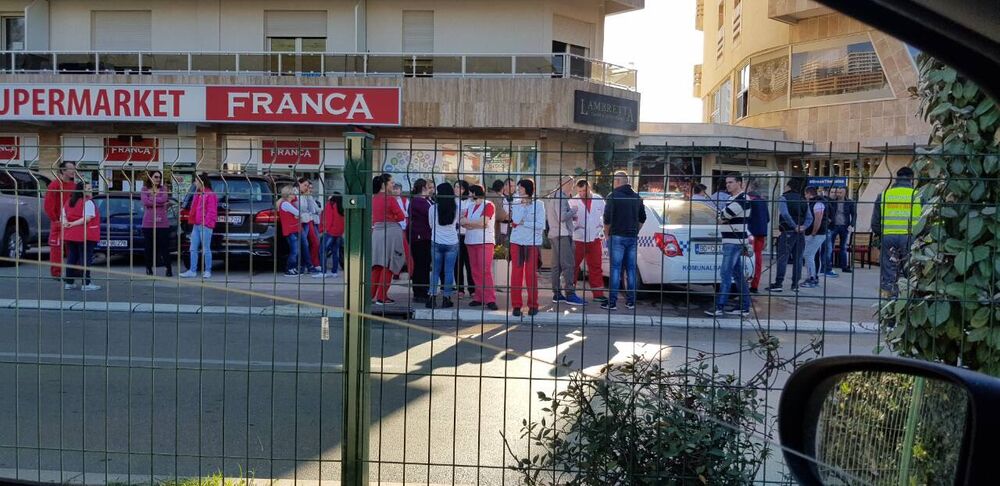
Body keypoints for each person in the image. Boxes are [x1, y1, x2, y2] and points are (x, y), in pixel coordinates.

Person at [705, 175, 752, 317]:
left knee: (725, 274)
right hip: (731, 241)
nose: (728, 185)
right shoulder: (733, 199)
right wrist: (722, 216)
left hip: (734, 243)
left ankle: (719, 306)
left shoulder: (742, 199)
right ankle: (744, 307)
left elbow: (724, 216)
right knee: (738, 276)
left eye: (731, 182)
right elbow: (722, 217)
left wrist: (722, 216)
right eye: (727, 183)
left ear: (740, 183)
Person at [871, 167, 921, 299]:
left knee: (889, 274)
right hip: (910, 238)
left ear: (896, 178)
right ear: (912, 179)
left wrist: (883, 234)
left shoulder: (884, 195)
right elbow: (926, 221)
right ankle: (909, 303)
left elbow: (875, 224)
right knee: (910, 274)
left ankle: (888, 306)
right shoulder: (918, 195)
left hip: (888, 238)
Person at [601, 171, 646, 311]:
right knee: (631, 269)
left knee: (615, 269)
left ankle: (612, 302)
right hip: (632, 237)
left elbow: (607, 218)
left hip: (617, 236)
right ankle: (631, 302)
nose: (614, 183)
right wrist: (635, 230)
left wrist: (607, 234)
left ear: (618, 181)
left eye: (615, 181)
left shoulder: (612, 196)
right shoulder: (637, 197)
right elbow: (642, 218)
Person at [545, 175, 585, 305]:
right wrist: (573, 211)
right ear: (565, 183)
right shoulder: (561, 197)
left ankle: (557, 294)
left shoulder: (554, 196)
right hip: (562, 235)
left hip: (554, 234)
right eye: (571, 184)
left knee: (556, 266)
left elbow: (557, 216)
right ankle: (570, 294)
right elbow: (562, 217)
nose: (572, 187)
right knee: (569, 265)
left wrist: (570, 218)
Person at [509, 179, 545, 317]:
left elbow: (540, 225)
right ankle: (516, 306)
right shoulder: (516, 204)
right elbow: (516, 221)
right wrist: (523, 208)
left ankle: (533, 305)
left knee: (531, 275)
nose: (518, 191)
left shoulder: (539, 205)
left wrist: (525, 222)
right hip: (517, 242)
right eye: (518, 189)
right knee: (516, 275)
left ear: (527, 189)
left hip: (532, 243)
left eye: (521, 188)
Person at [767, 179, 811, 293]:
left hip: (787, 231)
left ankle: (779, 283)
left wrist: (793, 225)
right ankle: (795, 284)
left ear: (789, 186)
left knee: (782, 257)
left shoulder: (783, 198)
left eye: (786, 185)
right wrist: (803, 227)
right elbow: (809, 217)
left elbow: (785, 213)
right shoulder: (803, 199)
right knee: (798, 258)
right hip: (800, 233)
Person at [462, 184, 499, 310]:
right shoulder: (469, 206)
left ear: (473, 193)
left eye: (470, 192)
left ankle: (490, 299)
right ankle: (479, 296)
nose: (469, 194)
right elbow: (462, 221)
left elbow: (484, 222)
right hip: (471, 241)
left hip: (485, 241)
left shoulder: (488, 205)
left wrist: (470, 223)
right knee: (475, 271)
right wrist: (475, 224)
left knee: (485, 270)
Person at [371, 173, 406, 305]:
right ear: (384, 184)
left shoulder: (373, 198)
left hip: (377, 232)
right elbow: (401, 216)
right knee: (390, 264)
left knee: (377, 265)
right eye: (391, 182)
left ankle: (370, 295)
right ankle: (382, 296)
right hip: (391, 232)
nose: (393, 184)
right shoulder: (390, 198)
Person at [569, 179, 606, 303]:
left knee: (596, 266)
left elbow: (605, 215)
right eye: (579, 191)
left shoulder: (598, 199)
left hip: (595, 238)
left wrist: (601, 227)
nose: (582, 193)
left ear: (589, 188)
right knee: (573, 266)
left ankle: (598, 294)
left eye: (584, 190)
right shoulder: (573, 201)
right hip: (578, 238)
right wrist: (575, 225)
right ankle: (570, 292)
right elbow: (570, 219)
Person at [61, 182, 101, 291]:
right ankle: (86, 283)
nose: (90, 190)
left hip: (70, 234)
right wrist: (73, 223)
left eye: (90, 188)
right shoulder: (88, 202)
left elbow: (63, 215)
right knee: (85, 259)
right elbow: (87, 218)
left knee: (72, 258)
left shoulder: (69, 201)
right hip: (85, 234)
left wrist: (67, 223)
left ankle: (69, 282)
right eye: (87, 188)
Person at [427, 182, 460, 309]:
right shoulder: (456, 207)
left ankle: (432, 297)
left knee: (435, 271)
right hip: (452, 242)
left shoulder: (432, 208)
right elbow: (456, 223)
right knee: (449, 271)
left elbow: (430, 225)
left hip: (436, 241)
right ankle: (447, 298)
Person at [180, 173, 217, 279]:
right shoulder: (198, 194)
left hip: (205, 225)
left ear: (201, 182)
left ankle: (207, 270)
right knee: (193, 248)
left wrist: (206, 222)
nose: (194, 183)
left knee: (206, 248)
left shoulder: (210, 194)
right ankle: (192, 270)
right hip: (196, 224)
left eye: (196, 181)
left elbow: (212, 211)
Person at [43, 161, 77, 278]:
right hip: (59, 221)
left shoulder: (74, 186)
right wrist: (55, 219)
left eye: (74, 168)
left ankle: (73, 273)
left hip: (72, 223)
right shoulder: (55, 185)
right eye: (71, 169)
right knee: (56, 248)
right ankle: (56, 273)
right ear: (63, 171)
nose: (73, 171)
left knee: (72, 248)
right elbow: (48, 205)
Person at [140, 170, 173, 277]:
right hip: (148, 223)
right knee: (148, 247)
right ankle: (148, 268)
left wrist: (152, 198)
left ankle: (168, 269)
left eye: (159, 177)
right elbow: (145, 202)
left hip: (162, 223)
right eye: (156, 177)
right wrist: (159, 202)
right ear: (150, 177)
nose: (158, 179)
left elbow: (164, 199)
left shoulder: (163, 189)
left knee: (164, 247)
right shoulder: (144, 189)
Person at [407, 179, 433, 303]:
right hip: (421, 237)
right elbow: (430, 215)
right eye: (429, 187)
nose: (430, 190)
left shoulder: (420, 201)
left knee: (422, 265)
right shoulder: (419, 202)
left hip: (421, 236)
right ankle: (421, 292)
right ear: (423, 188)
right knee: (422, 266)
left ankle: (420, 291)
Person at [277, 185, 309, 277]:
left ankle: (293, 268)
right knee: (294, 251)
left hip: (293, 230)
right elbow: (298, 213)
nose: (294, 194)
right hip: (290, 231)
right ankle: (289, 269)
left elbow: (296, 205)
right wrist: (297, 216)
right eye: (293, 193)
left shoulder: (288, 203)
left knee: (296, 251)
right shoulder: (286, 204)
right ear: (288, 194)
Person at [801, 186, 828, 289]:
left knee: (808, 255)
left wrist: (813, 232)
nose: (805, 196)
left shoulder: (817, 203)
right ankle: (813, 276)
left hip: (818, 234)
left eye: (805, 194)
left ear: (808, 193)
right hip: (818, 233)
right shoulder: (817, 202)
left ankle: (812, 278)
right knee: (812, 255)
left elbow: (818, 219)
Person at [746, 180, 770, 293]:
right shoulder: (762, 201)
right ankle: (755, 284)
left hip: (749, 233)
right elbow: (768, 218)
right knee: (758, 259)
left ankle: (745, 281)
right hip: (761, 232)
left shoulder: (748, 200)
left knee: (747, 258)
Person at [453, 180, 475, 296]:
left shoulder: (470, 202)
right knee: (458, 264)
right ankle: (460, 289)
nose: (457, 189)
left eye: (460, 188)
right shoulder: (452, 201)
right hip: (456, 236)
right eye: (455, 187)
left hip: (469, 234)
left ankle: (472, 289)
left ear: (465, 190)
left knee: (470, 263)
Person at [828, 187, 857, 273]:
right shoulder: (832, 202)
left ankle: (844, 266)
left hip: (844, 226)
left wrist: (852, 225)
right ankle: (828, 266)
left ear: (845, 193)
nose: (839, 194)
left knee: (843, 247)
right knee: (830, 247)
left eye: (841, 193)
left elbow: (854, 214)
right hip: (833, 226)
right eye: (838, 192)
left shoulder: (849, 202)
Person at [296, 177, 322, 273]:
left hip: (308, 220)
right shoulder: (296, 195)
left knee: (308, 244)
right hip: (303, 221)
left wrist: (309, 198)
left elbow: (314, 210)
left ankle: (309, 265)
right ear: (299, 183)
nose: (308, 188)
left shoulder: (306, 196)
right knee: (306, 244)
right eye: (306, 186)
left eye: (309, 187)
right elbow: (309, 210)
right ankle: (308, 265)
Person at [318, 192, 345, 278]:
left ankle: (323, 272)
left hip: (330, 232)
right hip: (339, 233)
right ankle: (334, 271)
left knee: (322, 251)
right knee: (335, 252)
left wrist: (324, 230)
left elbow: (329, 219)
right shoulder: (341, 206)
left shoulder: (330, 205)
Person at [393, 182, 413, 279]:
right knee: (396, 252)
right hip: (394, 228)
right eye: (394, 189)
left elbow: (408, 214)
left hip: (404, 228)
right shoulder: (390, 200)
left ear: (401, 190)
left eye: (397, 189)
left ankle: (411, 272)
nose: (396, 190)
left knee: (407, 251)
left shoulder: (405, 200)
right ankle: (396, 273)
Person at [488, 180, 510, 249]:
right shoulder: (497, 197)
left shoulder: (487, 195)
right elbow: (500, 215)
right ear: (502, 188)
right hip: (494, 228)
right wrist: (508, 217)